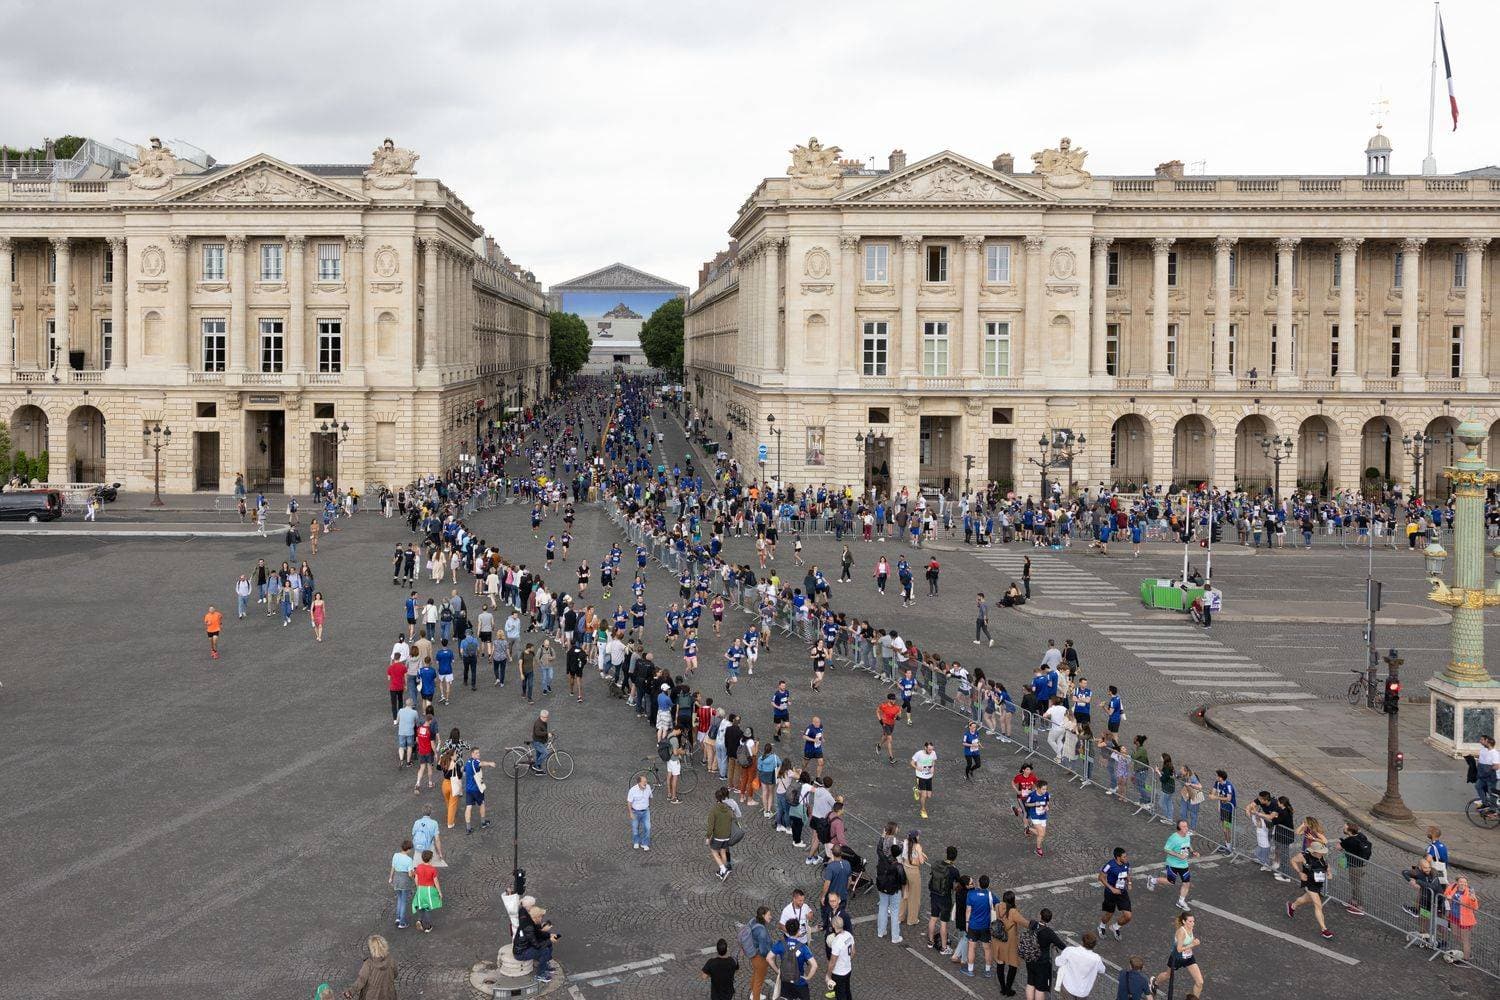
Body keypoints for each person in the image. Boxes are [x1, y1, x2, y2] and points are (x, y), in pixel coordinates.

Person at [1286, 840, 1335, 939]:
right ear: (1314, 851)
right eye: (1321, 852)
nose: (1323, 853)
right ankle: (1324, 930)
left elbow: (1326, 865)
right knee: (1318, 905)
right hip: (1309, 882)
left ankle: (1292, 906)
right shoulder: (1304, 856)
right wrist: (1300, 872)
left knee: (1306, 899)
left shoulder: (1322, 856)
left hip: (1318, 883)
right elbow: (1293, 860)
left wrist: (1329, 873)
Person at [1148, 820, 1199, 911]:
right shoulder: (1174, 838)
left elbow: (1188, 844)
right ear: (1179, 829)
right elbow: (1166, 849)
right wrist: (1178, 855)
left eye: (1186, 826)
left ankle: (1181, 901)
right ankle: (1152, 880)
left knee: (1186, 883)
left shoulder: (1187, 835)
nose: (1186, 828)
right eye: (1183, 827)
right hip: (1173, 864)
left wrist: (1193, 851)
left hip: (1183, 864)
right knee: (1170, 882)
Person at [1149, 913, 1203, 997]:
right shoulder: (1181, 932)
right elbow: (1179, 949)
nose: (1193, 923)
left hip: (1188, 957)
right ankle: (1155, 982)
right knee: (1167, 975)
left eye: (1193, 921)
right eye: (1190, 921)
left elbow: (1189, 941)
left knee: (1200, 982)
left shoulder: (1190, 928)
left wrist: (1193, 942)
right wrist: (1193, 944)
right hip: (1176, 958)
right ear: (1184, 922)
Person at [1022, 907, 1066, 1000]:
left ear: (1040, 915)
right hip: (1042, 962)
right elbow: (1061, 945)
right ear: (1049, 919)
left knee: (1030, 983)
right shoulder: (1049, 932)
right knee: (1040, 988)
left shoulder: (1032, 924)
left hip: (1030, 957)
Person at [769, 918, 818, 1000]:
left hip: (785, 980)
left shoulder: (780, 944)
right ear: (798, 931)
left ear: (787, 930)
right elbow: (814, 965)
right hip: (799, 981)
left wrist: (778, 971)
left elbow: (769, 958)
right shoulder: (803, 947)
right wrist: (808, 977)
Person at [1053, 931, 1106, 1000]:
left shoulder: (1070, 950)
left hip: (1068, 986)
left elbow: (1058, 962)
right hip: (1083, 992)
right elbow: (1102, 970)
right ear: (1094, 945)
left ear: (1083, 941)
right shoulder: (1096, 959)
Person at [342, 934, 396, 1000]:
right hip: (388, 993)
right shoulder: (391, 960)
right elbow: (395, 974)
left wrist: (350, 992)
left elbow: (361, 980)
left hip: (372, 996)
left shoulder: (368, 964)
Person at [1097, 846, 1133, 940]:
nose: (1126, 858)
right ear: (1118, 857)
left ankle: (1115, 927)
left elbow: (1127, 874)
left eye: (1126, 856)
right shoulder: (1109, 865)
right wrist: (1111, 888)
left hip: (1122, 891)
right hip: (1110, 893)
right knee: (1109, 914)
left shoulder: (1126, 864)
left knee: (1128, 916)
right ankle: (1101, 926)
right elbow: (1100, 877)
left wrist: (1129, 882)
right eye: (1124, 857)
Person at [1338, 821, 1372, 916]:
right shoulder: (1361, 835)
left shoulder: (1349, 841)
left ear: (1349, 831)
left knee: (1356, 885)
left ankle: (1360, 907)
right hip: (1362, 865)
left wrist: (1342, 843)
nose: (1343, 828)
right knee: (1355, 883)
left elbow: (1339, 847)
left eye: (1344, 828)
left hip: (1355, 866)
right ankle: (1354, 901)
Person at [875, 842, 906, 944]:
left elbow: (879, 850)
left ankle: (881, 931)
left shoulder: (883, 861)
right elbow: (903, 880)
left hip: (882, 887)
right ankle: (895, 936)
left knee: (882, 908)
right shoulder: (899, 866)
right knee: (894, 911)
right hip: (895, 890)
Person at [463, 747, 495, 833]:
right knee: (482, 804)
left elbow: (464, 771)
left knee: (468, 807)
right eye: (476, 753)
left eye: (478, 753)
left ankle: (468, 828)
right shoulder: (476, 762)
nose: (478, 754)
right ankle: (483, 822)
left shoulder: (468, 762)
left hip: (468, 789)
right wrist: (490, 763)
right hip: (477, 789)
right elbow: (482, 763)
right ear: (472, 754)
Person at [411, 849, 442, 932]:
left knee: (421, 906)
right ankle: (428, 927)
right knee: (427, 908)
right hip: (429, 890)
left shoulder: (419, 867)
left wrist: (418, 887)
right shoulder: (432, 869)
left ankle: (419, 920)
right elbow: (436, 881)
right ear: (430, 859)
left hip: (420, 889)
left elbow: (416, 879)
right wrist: (439, 891)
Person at [827, 913, 855, 1000]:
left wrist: (828, 975)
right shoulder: (848, 935)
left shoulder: (836, 942)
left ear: (834, 926)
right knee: (847, 990)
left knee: (840, 994)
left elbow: (832, 962)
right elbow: (853, 952)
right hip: (848, 969)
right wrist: (846, 960)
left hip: (838, 973)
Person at [389, 840, 415, 930]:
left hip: (396, 879)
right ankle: (402, 922)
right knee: (403, 901)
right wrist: (415, 875)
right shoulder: (409, 860)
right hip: (405, 881)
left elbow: (393, 867)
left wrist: (391, 878)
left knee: (399, 899)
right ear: (408, 849)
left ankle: (398, 917)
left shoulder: (395, 855)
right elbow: (410, 874)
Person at [911, 740, 937, 820]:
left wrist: (933, 767)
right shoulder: (919, 754)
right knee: (924, 795)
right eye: (929, 749)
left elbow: (933, 761)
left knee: (928, 796)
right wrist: (916, 767)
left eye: (931, 749)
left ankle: (916, 790)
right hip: (920, 776)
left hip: (929, 776)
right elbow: (911, 762)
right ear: (925, 748)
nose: (931, 751)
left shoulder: (933, 753)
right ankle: (923, 810)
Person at [628, 772, 653, 851]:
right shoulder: (633, 790)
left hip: (645, 811)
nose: (646, 783)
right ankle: (636, 841)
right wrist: (631, 813)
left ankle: (644, 843)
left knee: (647, 827)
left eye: (646, 782)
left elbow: (650, 797)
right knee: (635, 827)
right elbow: (629, 802)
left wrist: (648, 806)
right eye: (644, 782)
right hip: (635, 812)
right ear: (639, 783)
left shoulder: (648, 787)